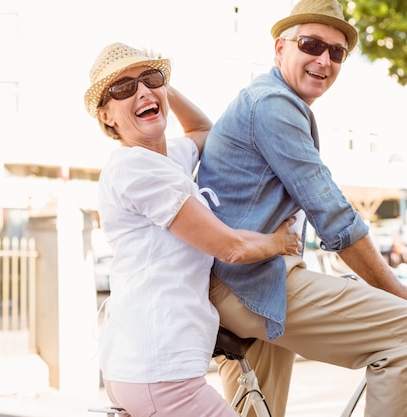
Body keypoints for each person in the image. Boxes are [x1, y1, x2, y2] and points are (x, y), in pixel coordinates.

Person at [196, 1, 407, 416]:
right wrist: (402, 292)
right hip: (251, 285)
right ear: (280, 49)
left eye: (337, 52)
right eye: (311, 44)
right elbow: (333, 215)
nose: (324, 59)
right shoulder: (273, 105)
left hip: (238, 281)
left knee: (260, 410)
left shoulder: (260, 100)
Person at [83, 42, 302, 417]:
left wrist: (154, 86)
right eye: (122, 89)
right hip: (158, 369)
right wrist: (279, 242)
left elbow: (202, 129)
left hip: (146, 364)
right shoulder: (136, 168)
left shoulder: (169, 157)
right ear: (107, 118)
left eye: (149, 79)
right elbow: (230, 247)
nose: (141, 91)